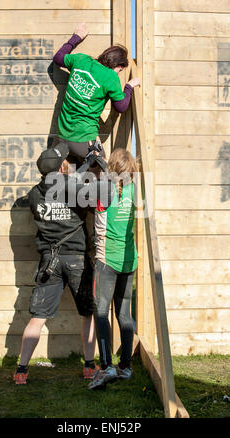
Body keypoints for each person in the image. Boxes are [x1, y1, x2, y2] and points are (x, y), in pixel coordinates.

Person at [13, 142, 101, 385]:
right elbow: (93, 199)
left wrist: (79, 170)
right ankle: (89, 367)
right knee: (87, 314)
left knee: (37, 318)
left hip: (48, 261)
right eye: (66, 161)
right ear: (62, 166)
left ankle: (21, 370)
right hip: (77, 260)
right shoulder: (73, 188)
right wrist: (91, 163)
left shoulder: (33, 194)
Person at [87, 148, 139, 390]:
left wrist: (94, 158)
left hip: (107, 260)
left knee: (101, 312)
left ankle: (107, 366)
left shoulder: (103, 189)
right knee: (124, 315)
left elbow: (79, 189)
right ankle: (125, 367)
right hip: (129, 260)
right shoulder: (134, 190)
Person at [52, 22, 140, 158]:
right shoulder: (110, 77)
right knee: (101, 176)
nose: (118, 73)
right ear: (116, 64)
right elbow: (121, 106)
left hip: (62, 135)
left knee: (68, 177)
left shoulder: (81, 60)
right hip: (84, 139)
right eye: (120, 70)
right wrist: (129, 87)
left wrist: (76, 37)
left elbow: (58, 58)